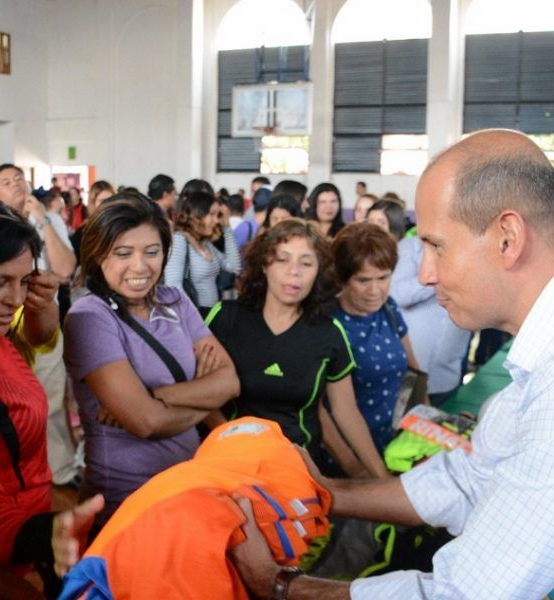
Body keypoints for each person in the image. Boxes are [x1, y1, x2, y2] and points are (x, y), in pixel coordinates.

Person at [230, 129, 554, 598]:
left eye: (437, 246)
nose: (424, 273)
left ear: (507, 238)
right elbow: (467, 483)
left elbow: (462, 593)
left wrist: (280, 586)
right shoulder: (530, 378)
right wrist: (326, 491)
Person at [0, 195, 104, 598]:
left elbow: (33, 339)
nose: (16, 299)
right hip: (2, 557)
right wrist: (42, 535)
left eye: (24, 281)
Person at [64, 193, 239, 530]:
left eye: (152, 252)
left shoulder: (174, 300)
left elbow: (230, 382)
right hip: (126, 494)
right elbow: (145, 423)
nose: (140, 267)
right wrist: (203, 394)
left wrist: (159, 396)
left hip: (187, 479)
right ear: (98, 255)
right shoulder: (90, 317)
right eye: (123, 253)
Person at [206, 219, 387, 479]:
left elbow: (347, 412)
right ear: (265, 265)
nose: (294, 272)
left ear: (318, 272)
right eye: (282, 259)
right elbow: (199, 394)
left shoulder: (329, 333)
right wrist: (232, 445)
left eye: (306, 263)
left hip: (299, 471)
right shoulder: (224, 317)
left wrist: (378, 476)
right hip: (228, 464)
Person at [0, 163, 80, 488]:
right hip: (1, 318)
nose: (16, 185)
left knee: (51, 396)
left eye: (19, 179)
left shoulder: (48, 219)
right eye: (6, 181)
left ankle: (59, 472)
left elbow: (66, 268)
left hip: (44, 312)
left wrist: (41, 219)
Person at [331, 223, 421, 452]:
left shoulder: (388, 308)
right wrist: (360, 471)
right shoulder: (328, 324)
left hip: (392, 444)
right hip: (349, 456)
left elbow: (414, 372)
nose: (375, 291)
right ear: (342, 279)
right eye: (363, 281)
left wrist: (427, 427)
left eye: (383, 278)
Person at [391, 235, 471, 405]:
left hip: (448, 374)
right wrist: (442, 277)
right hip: (411, 374)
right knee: (404, 429)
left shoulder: (470, 248)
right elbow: (397, 295)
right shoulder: (410, 247)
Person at [164, 190, 241, 316]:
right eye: (212, 214)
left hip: (211, 316)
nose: (216, 221)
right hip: (195, 317)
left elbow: (234, 267)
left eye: (218, 215)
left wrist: (227, 228)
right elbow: (173, 286)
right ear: (197, 214)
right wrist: (192, 320)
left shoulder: (206, 244)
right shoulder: (180, 240)